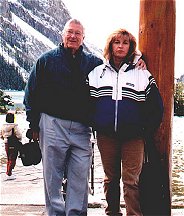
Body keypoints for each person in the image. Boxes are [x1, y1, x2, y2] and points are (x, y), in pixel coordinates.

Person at [23, 18, 146, 216]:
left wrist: (137, 59)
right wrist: (33, 125)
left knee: (80, 176)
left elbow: (115, 67)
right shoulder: (45, 60)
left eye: (77, 33)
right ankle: (54, 213)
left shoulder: (93, 63)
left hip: (82, 128)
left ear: (83, 38)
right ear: (62, 35)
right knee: (52, 177)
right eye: (69, 32)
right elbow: (30, 95)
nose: (73, 36)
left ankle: (76, 213)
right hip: (52, 124)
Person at [88, 28, 164, 216]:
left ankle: (134, 214)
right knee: (110, 179)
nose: (121, 46)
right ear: (110, 45)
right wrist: (96, 124)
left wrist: (144, 130)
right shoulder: (97, 73)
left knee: (131, 180)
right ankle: (112, 212)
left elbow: (156, 107)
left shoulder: (141, 74)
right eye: (117, 42)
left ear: (130, 47)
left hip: (134, 138)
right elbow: (87, 104)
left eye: (125, 43)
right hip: (106, 136)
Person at [0, 112, 22, 180]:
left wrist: (5, 138)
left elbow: (1, 135)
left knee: (9, 158)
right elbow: (19, 135)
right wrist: (19, 139)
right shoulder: (14, 126)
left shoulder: (3, 126)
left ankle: (8, 172)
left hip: (7, 143)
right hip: (14, 144)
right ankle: (9, 173)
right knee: (13, 158)